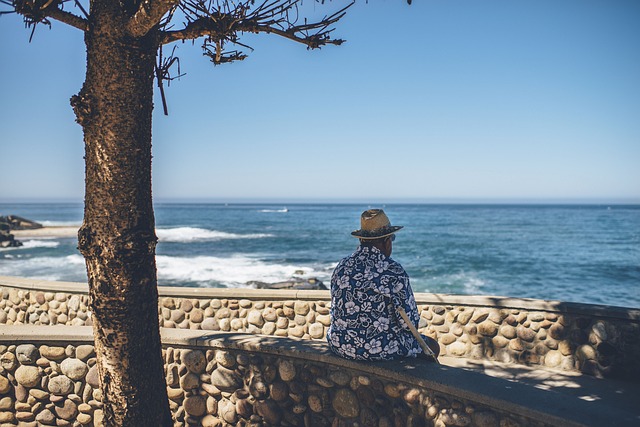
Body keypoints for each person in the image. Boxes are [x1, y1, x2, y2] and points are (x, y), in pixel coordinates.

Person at [327, 209, 439, 361]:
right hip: (378, 350)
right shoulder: (393, 270)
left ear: (361, 240)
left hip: (340, 344)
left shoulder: (342, 266)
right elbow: (409, 323)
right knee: (432, 346)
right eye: (392, 238)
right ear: (387, 241)